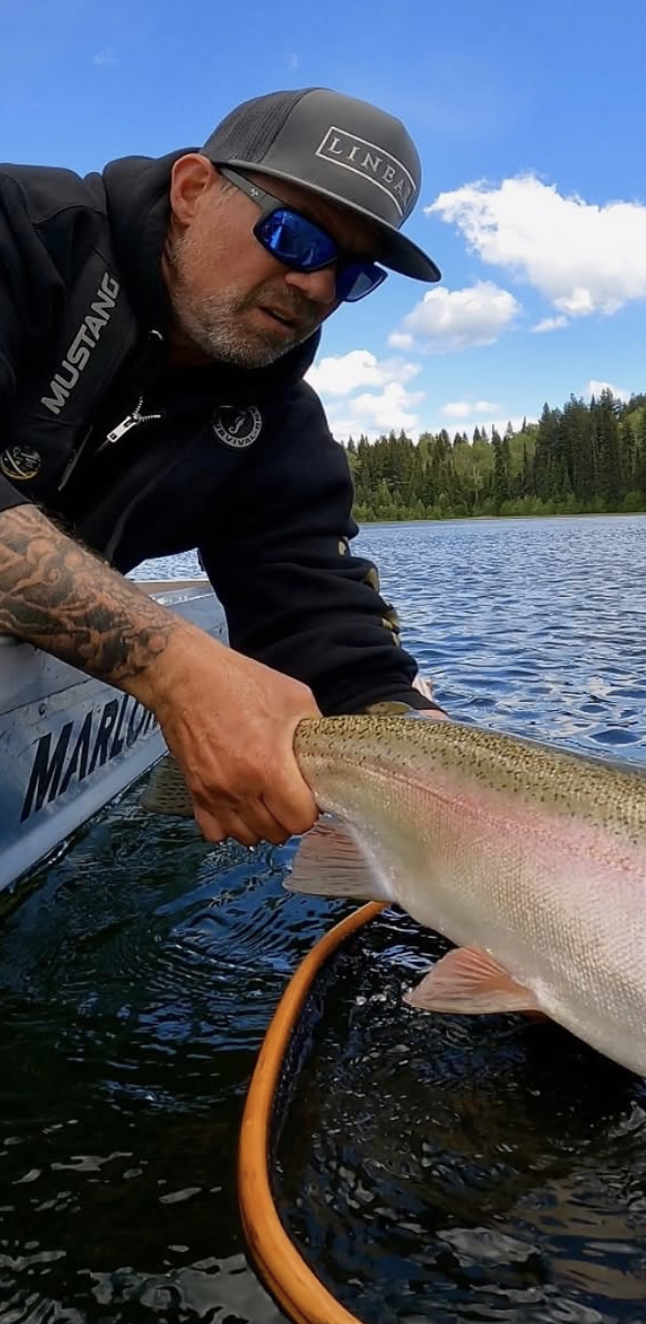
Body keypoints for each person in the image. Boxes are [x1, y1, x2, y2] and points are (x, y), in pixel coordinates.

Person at [0, 87, 447, 848]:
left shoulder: (278, 421)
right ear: (192, 190)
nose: (317, 287)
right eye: (296, 237)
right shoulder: (23, 232)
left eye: (353, 274)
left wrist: (416, 739)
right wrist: (180, 673)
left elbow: (314, 610)